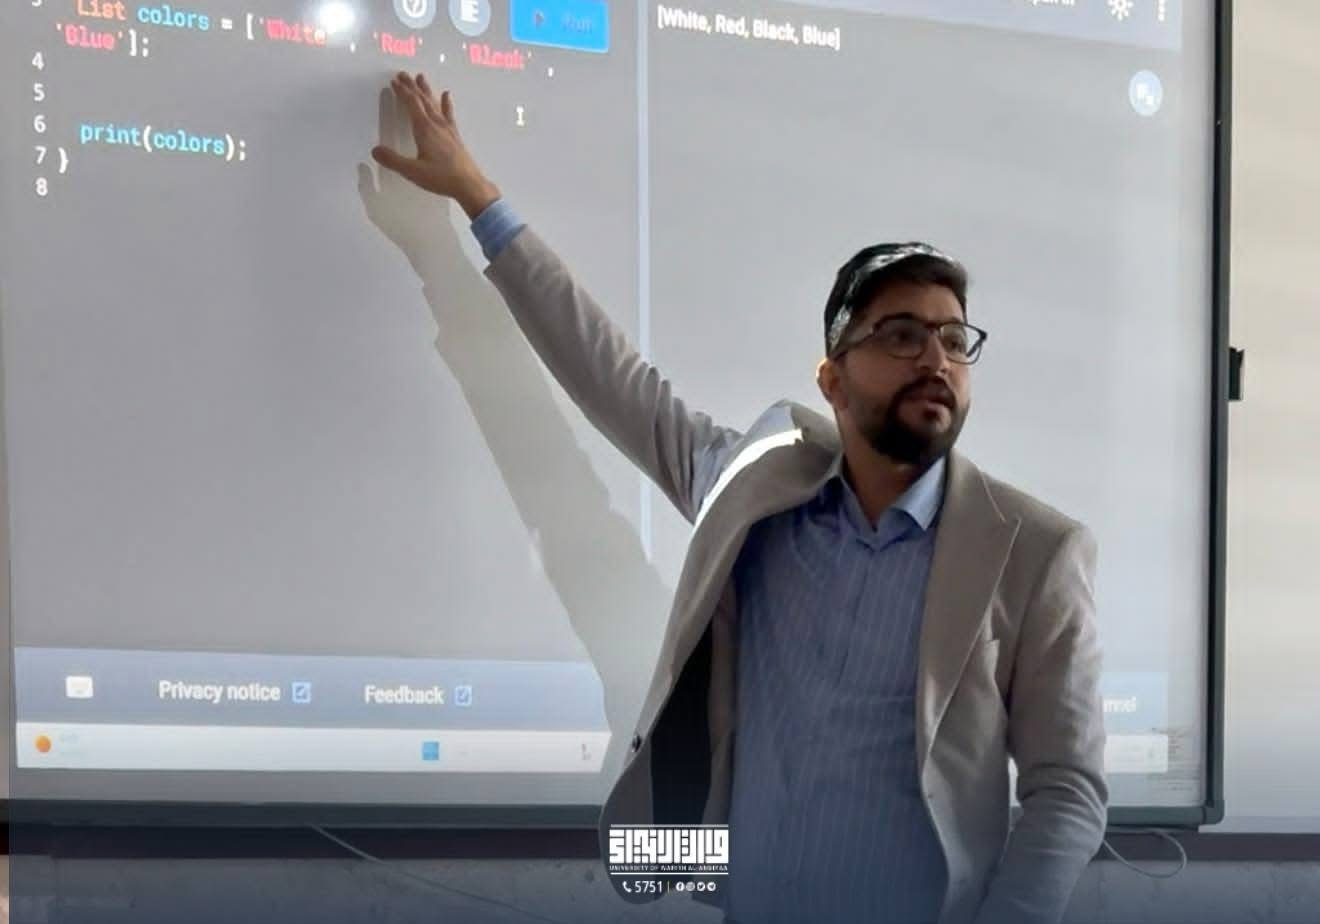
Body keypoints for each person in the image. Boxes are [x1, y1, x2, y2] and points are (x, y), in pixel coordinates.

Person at [371, 71, 1108, 924]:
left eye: (952, 339)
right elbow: (614, 381)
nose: (935, 359)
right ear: (833, 380)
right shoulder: (760, 490)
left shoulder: (1035, 552)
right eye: (901, 336)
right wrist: (477, 198)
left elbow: (1068, 788)